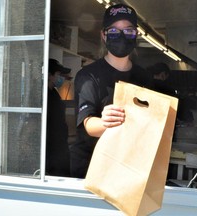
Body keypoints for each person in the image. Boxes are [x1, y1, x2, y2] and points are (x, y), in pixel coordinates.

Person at [70, 4, 153, 178]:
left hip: (127, 165)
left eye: (128, 31)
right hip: (91, 167)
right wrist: (106, 122)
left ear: (136, 34)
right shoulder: (88, 76)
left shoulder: (144, 77)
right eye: (114, 31)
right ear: (104, 35)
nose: (121, 36)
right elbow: (88, 124)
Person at [46, 58, 71, 177]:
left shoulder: (54, 93)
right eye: (59, 74)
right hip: (50, 149)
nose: (62, 78)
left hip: (59, 146)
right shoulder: (42, 95)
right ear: (49, 75)